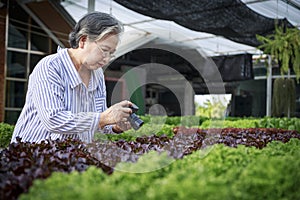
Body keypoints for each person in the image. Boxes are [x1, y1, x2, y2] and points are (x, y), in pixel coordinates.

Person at [11, 12, 134, 144]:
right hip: (33, 154)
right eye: (104, 50)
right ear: (83, 41)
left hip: (72, 155)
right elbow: (53, 120)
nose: (107, 59)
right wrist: (103, 117)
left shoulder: (97, 74)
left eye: (111, 53)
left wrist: (115, 126)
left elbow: (97, 123)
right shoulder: (50, 67)